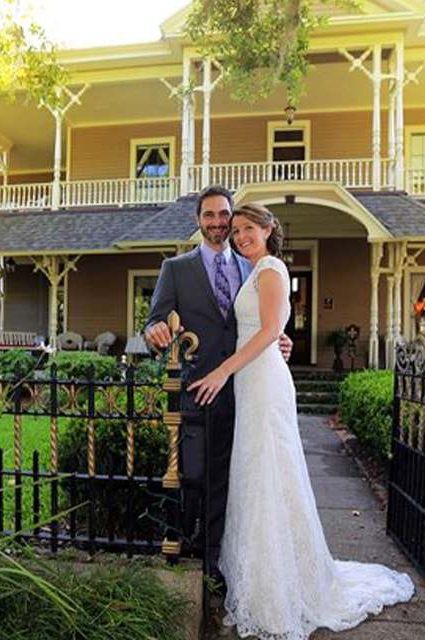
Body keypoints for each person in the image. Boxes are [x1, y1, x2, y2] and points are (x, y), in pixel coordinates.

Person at [187, 202, 414, 639]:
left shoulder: (270, 268)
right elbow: (270, 329)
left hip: (263, 383)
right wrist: (276, 338)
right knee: (256, 475)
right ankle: (261, 578)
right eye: (235, 231)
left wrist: (223, 370)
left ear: (270, 228)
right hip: (253, 381)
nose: (240, 236)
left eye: (248, 228)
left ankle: (277, 592)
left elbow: (269, 329)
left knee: (271, 473)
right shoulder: (256, 270)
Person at [144, 185, 292, 580]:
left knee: (237, 479)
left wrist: (278, 340)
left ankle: (220, 562)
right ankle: (189, 553)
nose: (217, 223)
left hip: (247, 390)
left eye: (223, 215)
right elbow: (153, 321)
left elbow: (264, 322)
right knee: (193, 476)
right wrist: (155, 331)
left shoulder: (252, 263)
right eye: (208, 215)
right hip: (199, 388)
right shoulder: (175, 269)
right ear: (198, 220)